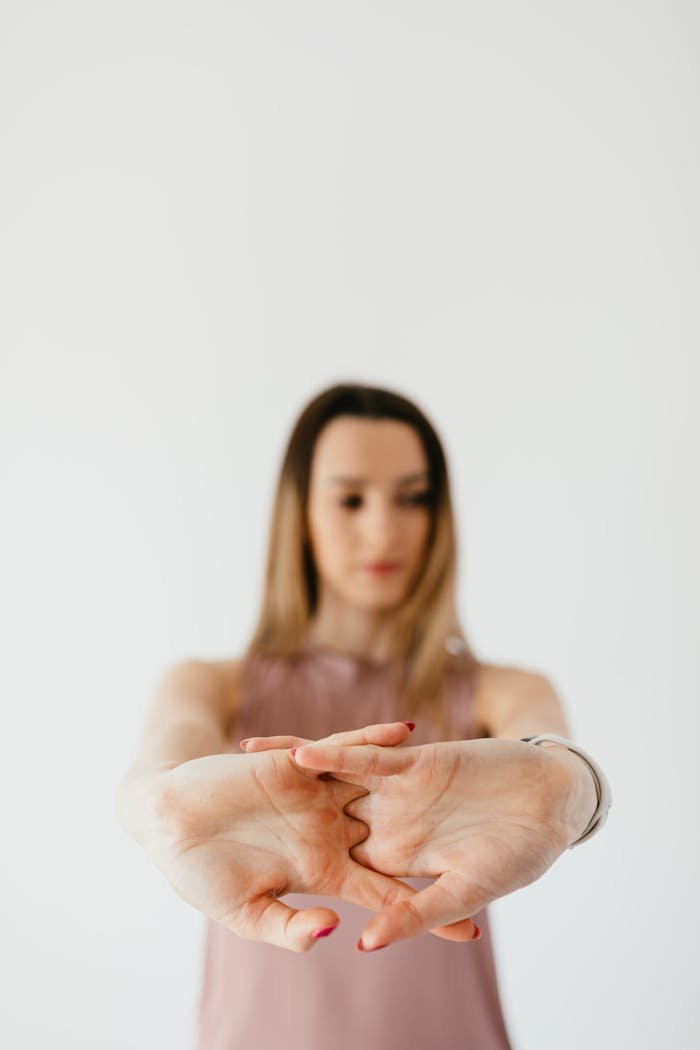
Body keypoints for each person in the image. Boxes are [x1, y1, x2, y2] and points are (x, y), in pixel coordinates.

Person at [116, 382, 610, 1050]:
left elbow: (557, 760)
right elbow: (159, 773)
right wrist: (154, 809)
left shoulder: (501, 691)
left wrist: (576, 793)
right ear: (301, 514)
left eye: (413, 498)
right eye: (350, 499)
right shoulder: (210, 686)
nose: (384, 529)